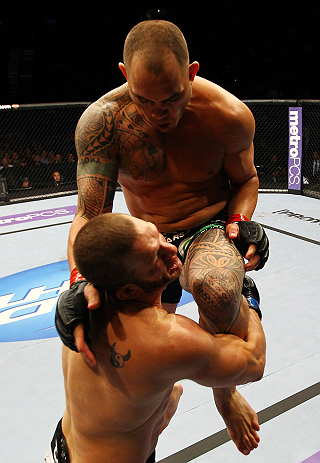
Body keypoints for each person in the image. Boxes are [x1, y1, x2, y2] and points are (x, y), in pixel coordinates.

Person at [55, 20, 269, 453]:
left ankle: (223, 393)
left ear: (191, 73)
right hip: (144, 234)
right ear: (124, 75)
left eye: (172, 97)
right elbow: (89, 216)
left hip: (205, 225)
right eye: (144, 99)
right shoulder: (102, 122)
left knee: (214, 283)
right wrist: (79, 279)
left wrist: (240, 221)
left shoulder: (228, 115)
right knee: (95, 326)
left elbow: (247, 179)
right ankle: (156, 406)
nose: (159, 112)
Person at [49, 213, 266, 462]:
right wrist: (249, 301)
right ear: (128, 290)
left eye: (160, 237)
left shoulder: (87, 306)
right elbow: (254, 361)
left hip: (63, 446)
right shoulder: (166, 338)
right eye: (156, 256)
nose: (172, 249)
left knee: (169, 392)